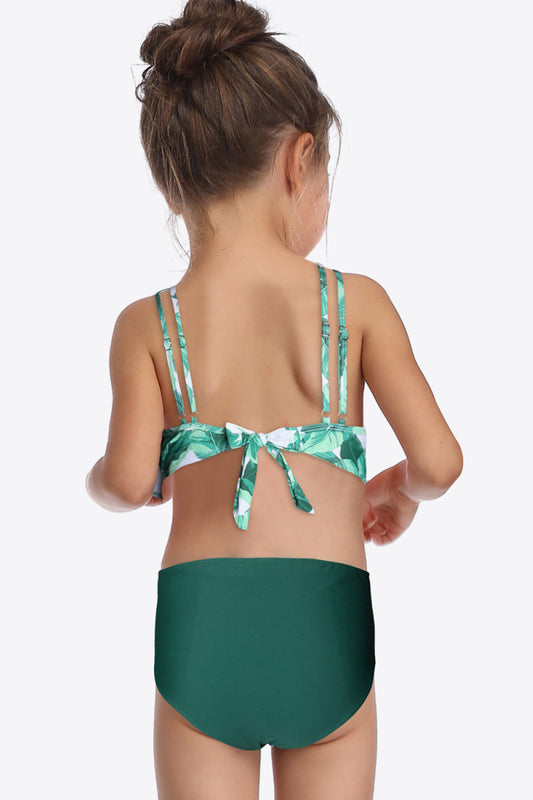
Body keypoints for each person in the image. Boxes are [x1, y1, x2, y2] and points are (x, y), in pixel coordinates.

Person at [86, 1, 463, 797]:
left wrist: (121, 478)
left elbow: (123, 483)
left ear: (169, 182)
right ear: (300, 160)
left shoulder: (147, 326)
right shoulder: (355, 305)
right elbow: (438, 463)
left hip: (202, 631)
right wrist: (397, 491)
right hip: (322, 622)